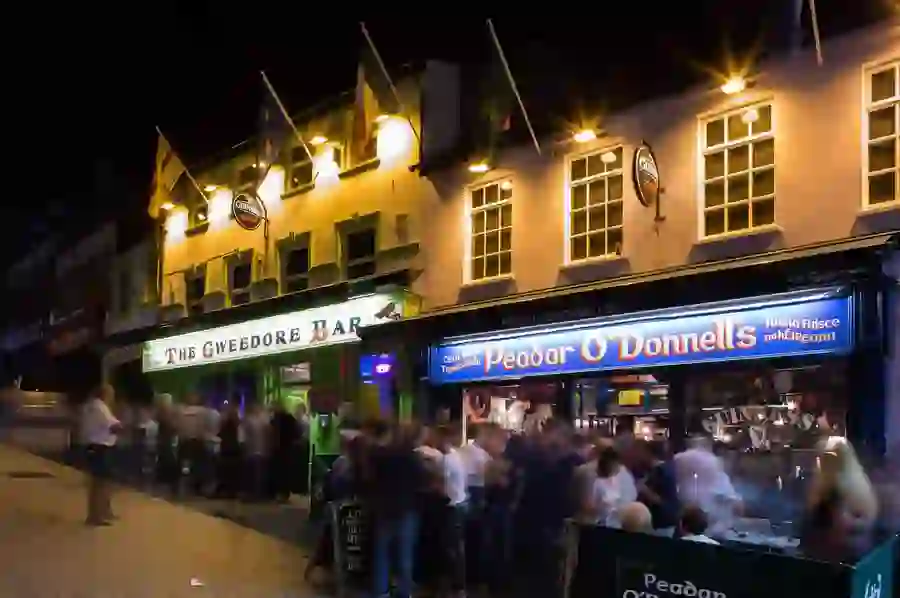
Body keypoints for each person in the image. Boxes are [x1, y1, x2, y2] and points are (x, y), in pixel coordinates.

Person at [368, 424, 426, 598]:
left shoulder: (382, 455)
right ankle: (403, 592)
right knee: (404, 554)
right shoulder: (414, 458)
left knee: (381, 554)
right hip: (406, 509)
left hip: (384, 508)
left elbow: (372, 477)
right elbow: (421, 481)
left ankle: (381, 592)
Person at [673, 435, 742, 536]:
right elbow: (737, 504)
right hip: (708, 524)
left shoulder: (678, 459)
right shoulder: (713, 463)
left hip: (684, 518)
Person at [81, 384, 122, 526]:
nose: (113, 397)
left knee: (99, 481)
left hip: (94, 446)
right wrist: (125, 428)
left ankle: (101, 511)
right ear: (105, 394)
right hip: (101, 447)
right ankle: (96, 515)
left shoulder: (89, 406)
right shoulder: (100, 407)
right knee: (100, 482)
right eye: (111, 394)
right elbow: (113, 426)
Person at [635, 440, 679, 536]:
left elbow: (661, 499)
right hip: (667, 520)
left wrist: (644, 490)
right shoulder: (667, 468)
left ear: (649, 453)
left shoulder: (660, 472)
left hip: (660, 522)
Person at [588, 445, 637, 528]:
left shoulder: (624, 477)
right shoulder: (598, 482)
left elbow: (632, 496)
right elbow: (592, 505)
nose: (617, 467)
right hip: (603, 524)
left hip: (621, 523)